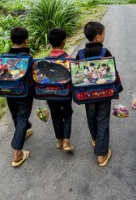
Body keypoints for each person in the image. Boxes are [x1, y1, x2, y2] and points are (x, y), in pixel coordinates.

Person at [75, 21, 113, 166]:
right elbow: (112, 72)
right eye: (103, 34)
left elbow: (76, 75)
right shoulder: (105, 52)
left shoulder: (80, 54)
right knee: (102, 119)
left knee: (91, 117)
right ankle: (102, 154)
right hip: (104, 93)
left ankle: (95, 139)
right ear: (98, 37)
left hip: (87, 95)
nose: (104, 36)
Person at [7, 27, 34, 167]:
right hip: (23, 93)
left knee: (16, 115)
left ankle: (24, 130)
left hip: (7, 91)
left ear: (11, 40)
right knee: (23, 116)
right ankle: (17, 153)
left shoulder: (4, 57)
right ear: (26, 41)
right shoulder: (28, 58)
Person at [45, 27, 74, 152]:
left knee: (55, 115)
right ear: (64, 41)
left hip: (50, 93)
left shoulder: (45, 60)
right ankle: (67, 142)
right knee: (67, 115)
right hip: (65, 93)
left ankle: (59, 141)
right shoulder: (70, 59)